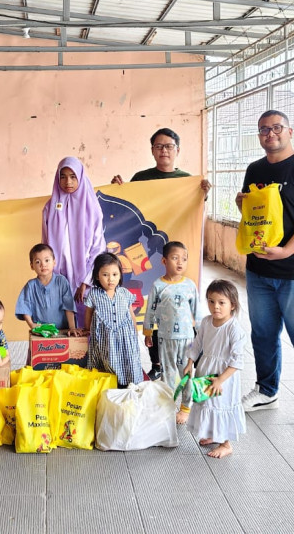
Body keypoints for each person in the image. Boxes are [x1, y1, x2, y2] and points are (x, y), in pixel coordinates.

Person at [237, 109, 294, 435]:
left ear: (290, 132)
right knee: (262, 335)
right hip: (259, 270)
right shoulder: (255, 170)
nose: (270, 134)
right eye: (264, 129)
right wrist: (242, 205)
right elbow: (257, 214)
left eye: (276, 128)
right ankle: (266, 391)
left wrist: (288, 250)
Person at [111, 128, 210, 380]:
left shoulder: (187, 181)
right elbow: (129, 205)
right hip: (152, 253)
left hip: (178, 251)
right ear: (152, 150)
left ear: (177, 150)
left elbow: (196, 208)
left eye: (168, 146)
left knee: (179, 305)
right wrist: (117, 188)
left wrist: (203, 193)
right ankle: (156, 363)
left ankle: (187, 358)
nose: (164, 150)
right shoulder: (141, 178)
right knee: (154, 305)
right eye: (158, 146)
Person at [184, 279, 247, 458]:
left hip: (224, 375)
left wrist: (221, 379)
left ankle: (226, 444)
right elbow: (197, 343)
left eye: (221, 302)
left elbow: (237, 360)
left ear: (232, 305)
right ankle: (213, 434)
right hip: (206, 369)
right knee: (207, 403)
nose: (215, 307)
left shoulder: (234, 329)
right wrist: (190, 362)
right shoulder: (206, 322)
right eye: (211, 301)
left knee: (220, 405)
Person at [43, 157, 106, 328]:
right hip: (59, 278)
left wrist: (85, 281)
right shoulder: (50, 208)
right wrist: (50, 279)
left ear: (80, 177)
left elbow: (98, 248)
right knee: (62, 325)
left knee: (87, 326)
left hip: (85, 278)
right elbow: (45, 246)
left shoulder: (92, 207)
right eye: (63, 177)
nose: (68, 182)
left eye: (73, 176)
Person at [142, 241, 200, 424]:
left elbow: (197, 312)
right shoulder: (158, 285)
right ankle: (168, 406)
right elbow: (150, 310)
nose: (180, 262)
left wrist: (201, 335)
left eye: (184, 259)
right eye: (175, 258)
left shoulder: (190, 285)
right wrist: (148, 332)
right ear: (164, 261)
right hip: (165, 338)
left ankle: (185, 408)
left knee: (186, 374)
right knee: (167, 374)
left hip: (187, 339)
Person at [84, 252, 142, 387]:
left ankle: (128, 384)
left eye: (115, 274)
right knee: (107, 359)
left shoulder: (124, 293)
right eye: (105, 275)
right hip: (104, 337)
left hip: (125, 337)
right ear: (97, 276)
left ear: (120, 275)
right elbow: (88, 313)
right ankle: (109, 384)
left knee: (128, 359)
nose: (111, 279)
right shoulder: (94, 294)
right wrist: (87, 329)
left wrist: (135, 332)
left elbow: (131, 314)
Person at [15, 243, 79, 335]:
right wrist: (31, 324)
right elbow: (24, 306)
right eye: (38, 262)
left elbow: (68, 306)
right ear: (32, 266)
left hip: (63, 330)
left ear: (54, 262)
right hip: (41, 331)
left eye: (47, 260)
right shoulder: (30, 286)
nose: (43, 265)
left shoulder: (61, 281)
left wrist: (72, 327)